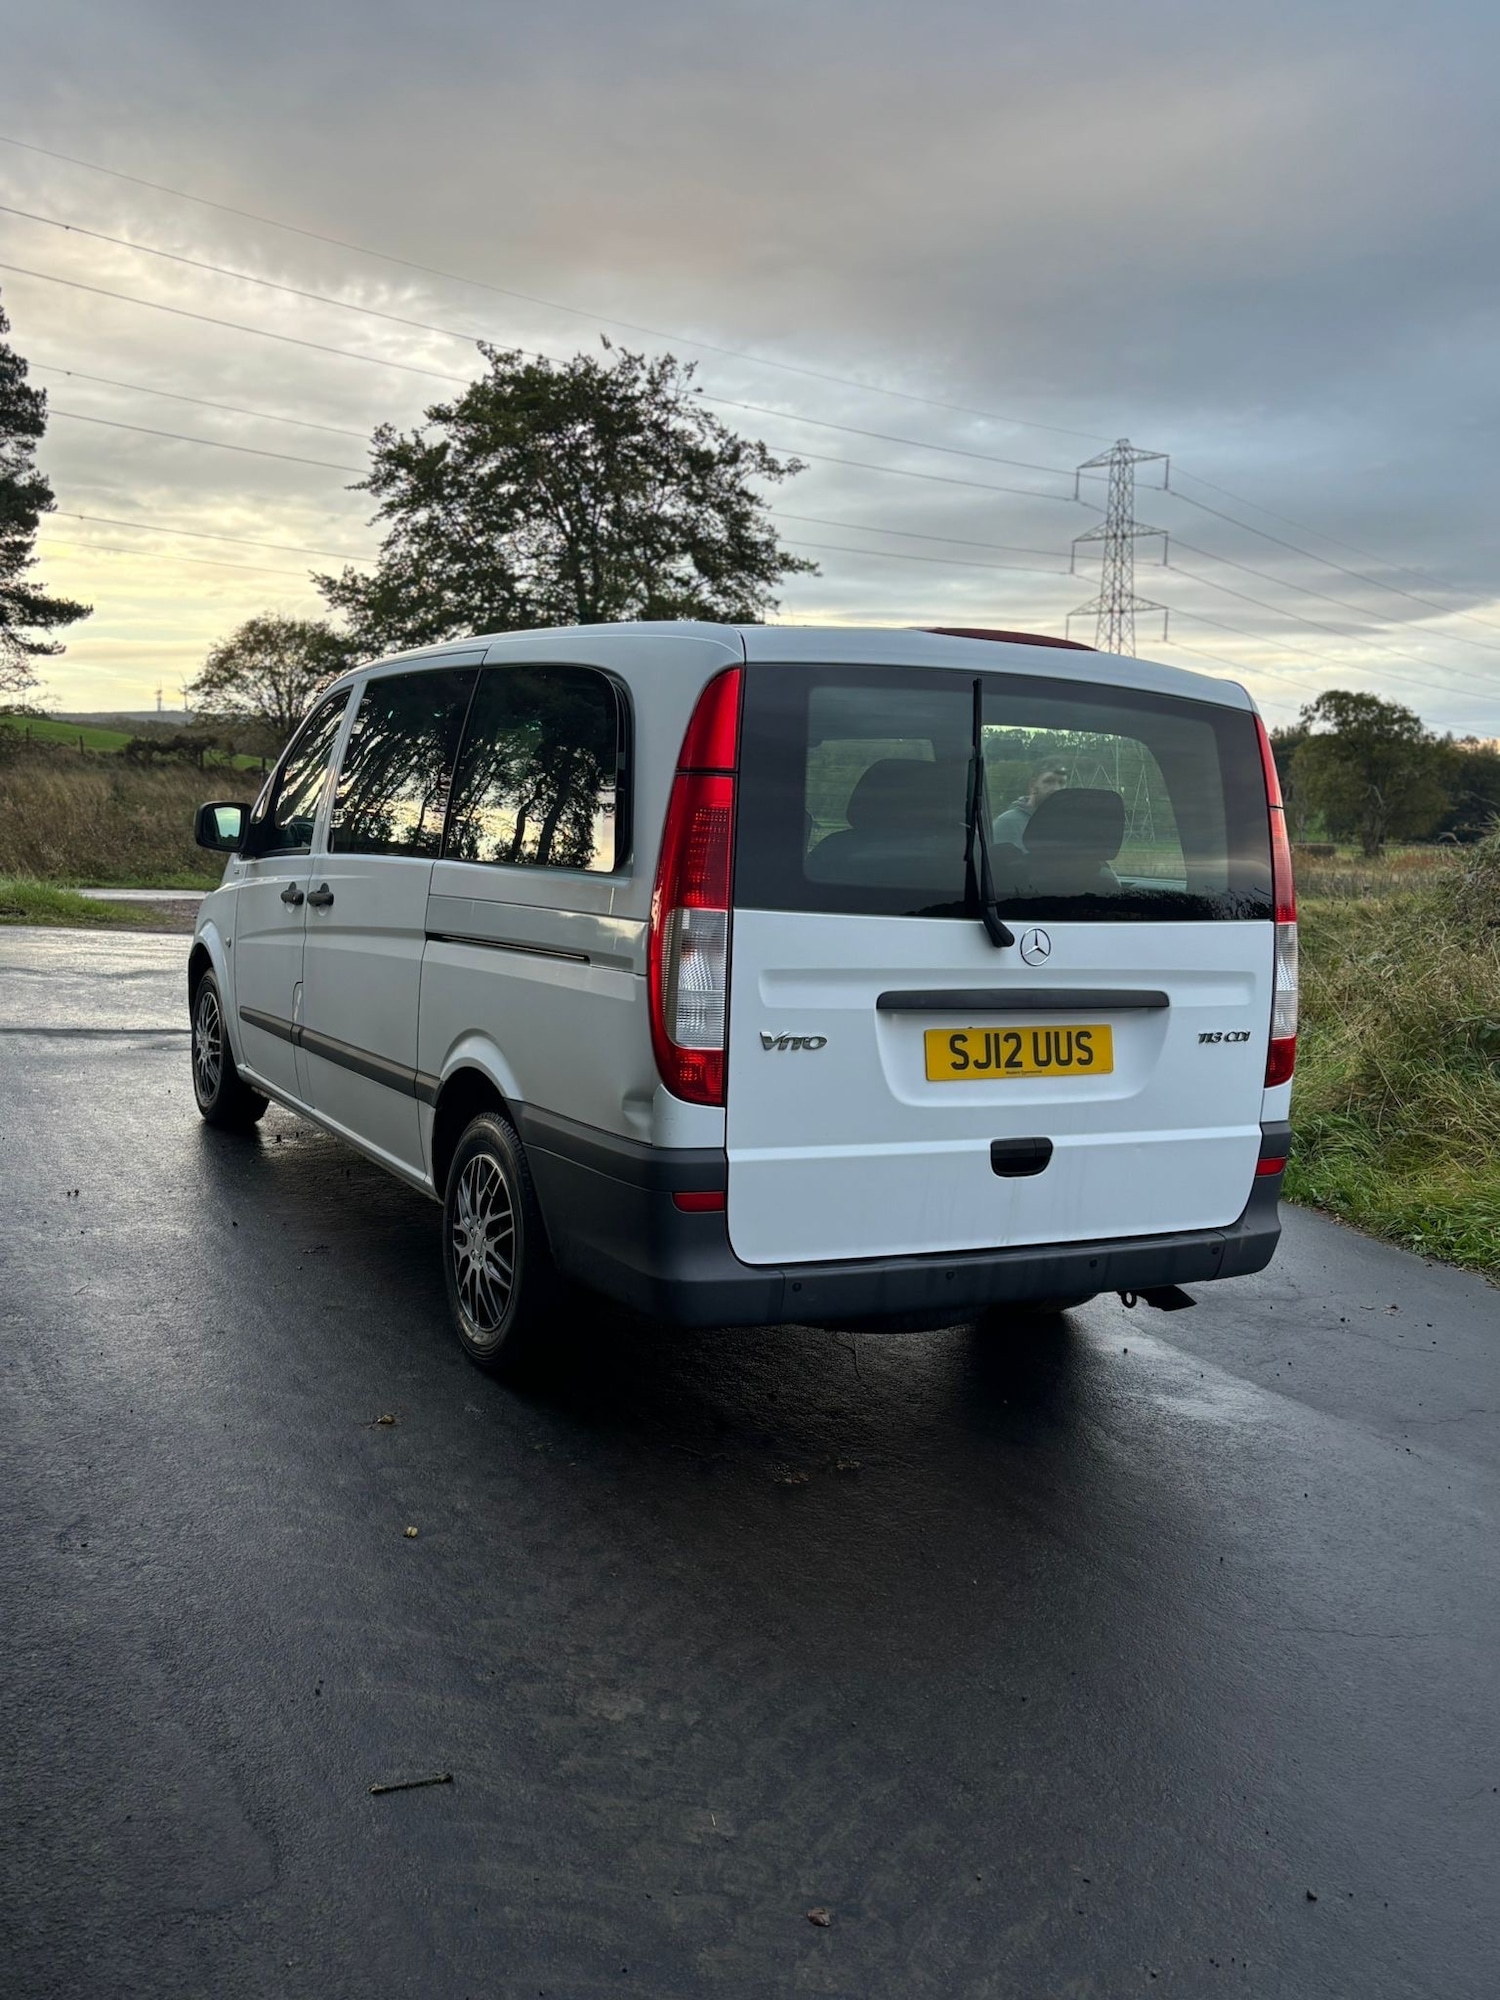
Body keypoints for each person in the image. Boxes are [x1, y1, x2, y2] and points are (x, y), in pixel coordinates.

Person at [992, 754, 1070, 848]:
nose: (1056, 788)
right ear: (1033, 785)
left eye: (1061, 783)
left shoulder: (1068, 824)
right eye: (1049, 781)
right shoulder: (1007, 823)